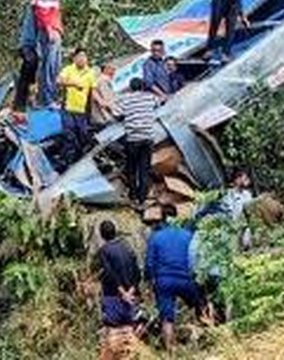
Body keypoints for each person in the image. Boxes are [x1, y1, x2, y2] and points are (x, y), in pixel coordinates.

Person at [145, 204, 206, 354]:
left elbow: (149, 263)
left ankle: (170, 352)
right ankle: (208, 337)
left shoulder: (156, 237)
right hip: (186, 279)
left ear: (162, 218)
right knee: (200, 307)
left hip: (164, 281)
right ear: (176, 216)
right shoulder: (187, 235)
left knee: (167, 318)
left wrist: (150, 280)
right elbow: (196, 258)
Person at [96, 220, 141, 360]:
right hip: (131, 297)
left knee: (114, 332)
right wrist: (130, 292)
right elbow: (137, 273)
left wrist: (123, 293)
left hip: (113, 296)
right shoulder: (127, 247)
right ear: (115, 231)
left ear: (102, 235)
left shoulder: (104, 251)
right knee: (129, 331)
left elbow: (109, 274)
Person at [116, 78, 157, 207]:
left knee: (132, 168)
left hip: (133, 139)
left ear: (130, 88)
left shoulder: (125, 99)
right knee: (144, 169)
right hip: (147, 138)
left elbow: (118, 113)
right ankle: (142, 198)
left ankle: (133, 195)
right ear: (143, 87)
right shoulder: (150, 97)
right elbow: (158, 103)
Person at [32, 0, 64, 107]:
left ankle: (53, 97)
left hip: (56, 32)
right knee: (48, 67)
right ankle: (47, 99)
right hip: (48, 34)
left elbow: (55, 12)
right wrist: (50, 31)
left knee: (56, 66)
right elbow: (43, 16)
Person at [58, 48, 97, 153]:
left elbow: (92, 92)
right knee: (69, 133)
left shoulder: (91, 72)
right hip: (68, 109)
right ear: (74, 59)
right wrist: (73, 84)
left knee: (83, 134)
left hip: (82, 110)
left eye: (84, 56)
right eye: (79, 56)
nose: (82, 59)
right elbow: (59, 80)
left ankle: (80, 155)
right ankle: (69, 158)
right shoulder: (68, 69)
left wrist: (94, 108)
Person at [13, 4, 38, 111]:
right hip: (28, 45)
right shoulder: (36, 7)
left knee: (28, 74)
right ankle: (20, 103)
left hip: (31, 46)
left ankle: (22, 102)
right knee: (30, 65)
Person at [91, 62, 119, 128]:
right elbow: (108, 101)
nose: (114, 71)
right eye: (112, 69)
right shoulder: (103, 81)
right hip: (107, 119)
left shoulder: (98, 81)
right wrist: (118, 113)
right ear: (106, 70)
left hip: (99, 119)